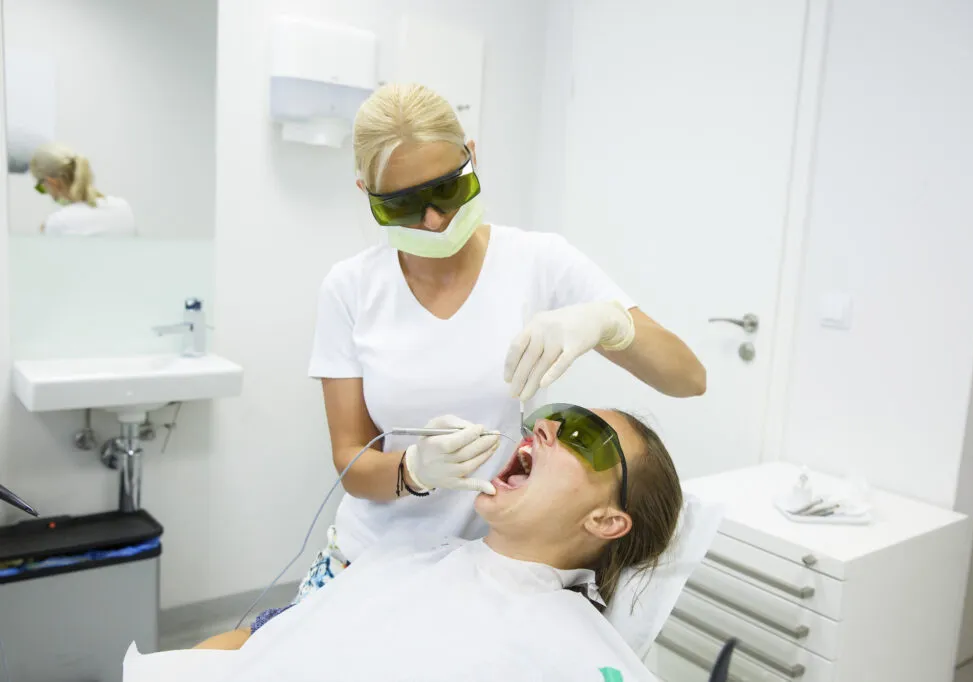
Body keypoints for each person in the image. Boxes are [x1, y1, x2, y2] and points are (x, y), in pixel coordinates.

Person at [283, 81, 705, 623]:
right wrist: (412, 470)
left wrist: (607, 323)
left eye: (445, 190)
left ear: (471, 157)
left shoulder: (540, 262)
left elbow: (687, 378)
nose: (433, 219)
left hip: (493, 573)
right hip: (367, 561)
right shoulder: (351, 288)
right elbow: (351, 460)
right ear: (366, 192)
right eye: (403, 205)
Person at [126, 404, 682, 682]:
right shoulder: (406, 560)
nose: (546, 428)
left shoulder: (571, 646)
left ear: (608, 521)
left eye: (585, 438)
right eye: (552, 415)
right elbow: (263, 642)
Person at [29, 142, 135, 236]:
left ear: (52, 182)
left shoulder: (58, 222)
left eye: (41, 187)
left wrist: (47, 229)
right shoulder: (123, 207)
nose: (45, 192)